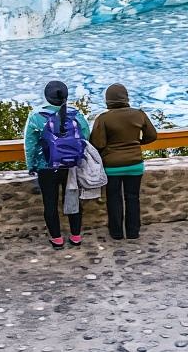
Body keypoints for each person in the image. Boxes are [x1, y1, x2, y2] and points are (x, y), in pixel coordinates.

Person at [24, 80, 90, 250]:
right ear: (66, 96)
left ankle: (57, 239)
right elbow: (86, 138)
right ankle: (76, 236)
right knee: (72, 200)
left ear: (47, 97)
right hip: (71, 166)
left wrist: (31, 165)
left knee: (50, 203)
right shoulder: (77, 114)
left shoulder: (36, 116)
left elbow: (30, 144)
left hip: (46, 166)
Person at [89, 83, 158, 240]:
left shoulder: (104, 118)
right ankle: (133, 232)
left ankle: (116, 233)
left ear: (108, 100)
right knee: (133, 197)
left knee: (114, 198)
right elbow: (152, 135)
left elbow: (98, 143)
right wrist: (137, 143)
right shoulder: (139, 114)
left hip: (112, 166)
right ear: (126, 97)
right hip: (135, 164)